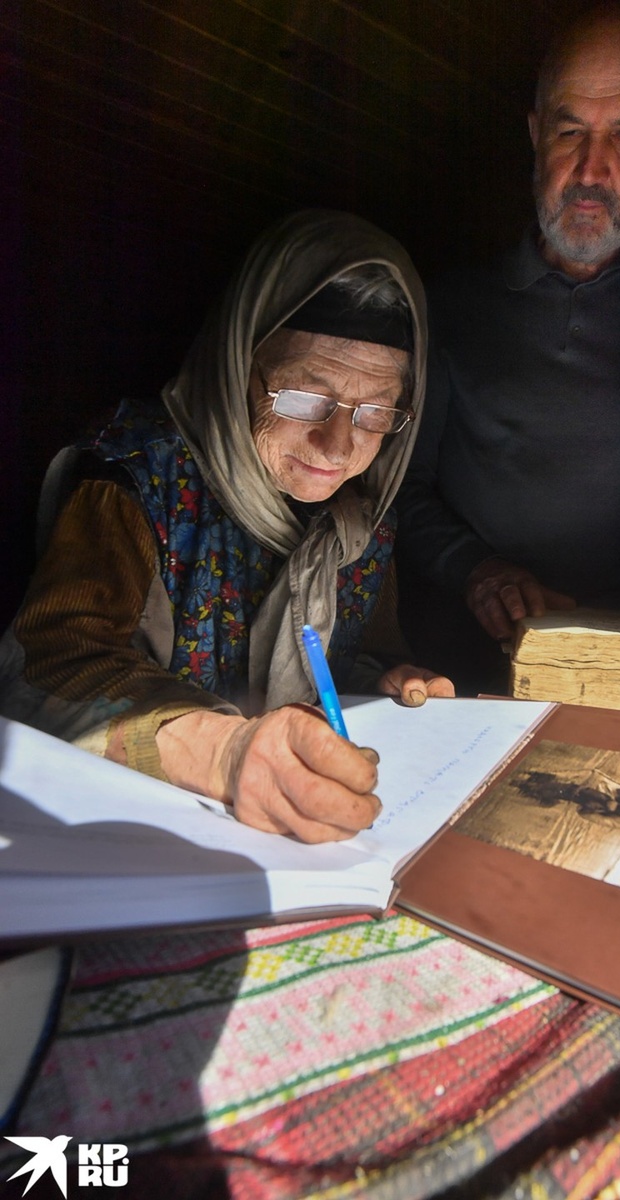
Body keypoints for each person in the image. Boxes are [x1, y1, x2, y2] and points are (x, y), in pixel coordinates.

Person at [0, 208, 453, 841]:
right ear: (235, 363)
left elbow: (356, 652)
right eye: (303, 396)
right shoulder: (133, 478)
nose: (337, 446)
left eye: (377, 411)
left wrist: (384, 679)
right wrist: (226, 751)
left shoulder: (364, 523)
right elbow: (46, 660)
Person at [396, 1, 620, 692]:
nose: (591, 169)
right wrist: (480, 571)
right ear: (535, 132)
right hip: (456, 678)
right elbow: (398, 493)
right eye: (569, 129)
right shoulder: (447, 306)